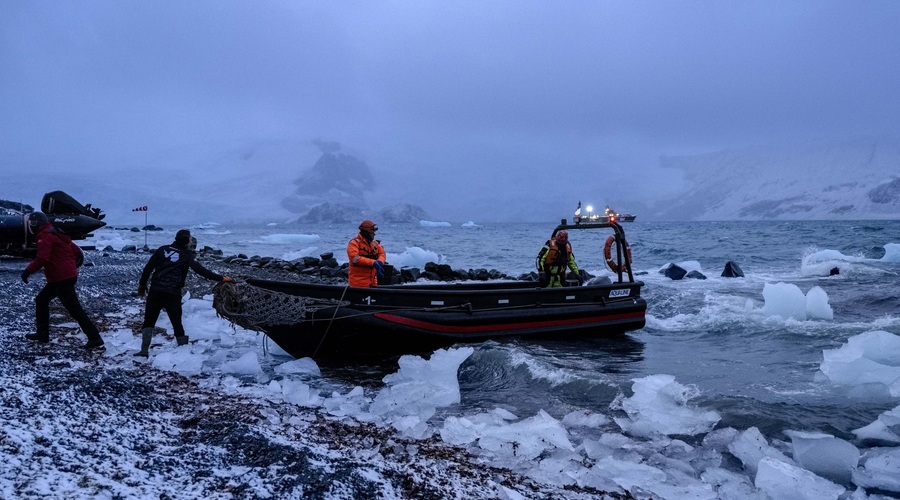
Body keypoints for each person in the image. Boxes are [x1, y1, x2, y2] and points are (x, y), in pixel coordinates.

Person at [135, 229, 232, 357]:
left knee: (149, 320)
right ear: (186, 241)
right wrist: (220, 278)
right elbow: (200, 270)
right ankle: (183, 352)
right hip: (173, 293)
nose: (191, 241)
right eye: (190, 239)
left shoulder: (162, 249)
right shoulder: (186, 255)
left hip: (156, 290)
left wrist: (142, 284)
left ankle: (144, 351)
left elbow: (148, 268)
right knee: (176, 322)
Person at [20, 211, 104, 349]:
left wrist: (27, 272)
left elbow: (42, 258)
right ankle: (42, 333)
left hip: (61, 278)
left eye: (32, 223)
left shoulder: (45, 235)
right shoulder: (56, 231)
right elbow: (75, 250)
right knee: (41, 300)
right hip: (63, 277)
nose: (31, 225)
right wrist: (68, 263)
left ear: (36, 224)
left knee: (74, 309)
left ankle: (95, 337)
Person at [347, 219, 386, 287]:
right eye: (372, 232)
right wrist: (373, 262)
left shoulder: (374, 243)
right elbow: (354, 258)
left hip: (372, 283)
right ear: (366, 233)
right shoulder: (354, 243)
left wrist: (380, 262)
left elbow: (382, 253)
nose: (374, 234)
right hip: (357, 284)